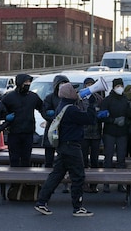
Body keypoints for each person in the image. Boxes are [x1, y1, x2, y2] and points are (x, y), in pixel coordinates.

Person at [34, 83, 96, 217]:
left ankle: (41, 202)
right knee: (78, 176)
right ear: (69, 93)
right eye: (73, 89)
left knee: (56, 175)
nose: (76, 91)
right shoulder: (71, 110)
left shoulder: (62, 106)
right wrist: (91, 104)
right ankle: (77, 207)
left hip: (63, 146)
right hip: (72, 147)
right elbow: (89, 119)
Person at [1, 74, 42, 167]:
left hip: (28, 132)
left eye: (29, 82)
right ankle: (15, 180)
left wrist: (48, 115)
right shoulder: (9, 97)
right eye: (25, 82)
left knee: (26, 158)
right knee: (14, 158)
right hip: (14, 132)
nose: (27, 84)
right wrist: (6, 117)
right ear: (19, 83)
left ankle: (25, 180)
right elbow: (0, 111)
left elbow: (42, 107)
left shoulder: (33, 97)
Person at [98, 78, 130, 193]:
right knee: (108, 158)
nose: (119, 88)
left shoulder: (125, 100)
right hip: (109, 132)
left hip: (122, 132)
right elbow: (102, 116)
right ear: (114, 87)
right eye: (118, 86)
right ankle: (106, 183)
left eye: (121, 85)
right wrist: (113, 120)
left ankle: (120, 184)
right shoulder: (107, 100)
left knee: (121, 159)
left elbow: (129, 115)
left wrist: (125, 120)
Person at [81, 77, 103, 194]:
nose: (89, 86)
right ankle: (83, 183)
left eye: (91, 84)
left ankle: (94, 184)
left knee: (94, 160)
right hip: (83, 133)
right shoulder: (80, 98)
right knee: (83, 159)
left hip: (95, 133)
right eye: (87, 84)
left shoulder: (99, 99)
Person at [40, 75, 68, 168]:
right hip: (52, 128)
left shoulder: (69, 97)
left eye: (65, 83)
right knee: (49, 156)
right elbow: (44, 112)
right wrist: (54, 119)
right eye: (61, 84)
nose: (62, 86)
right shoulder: (50, 97)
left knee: (63, 156)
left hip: (64, 129)